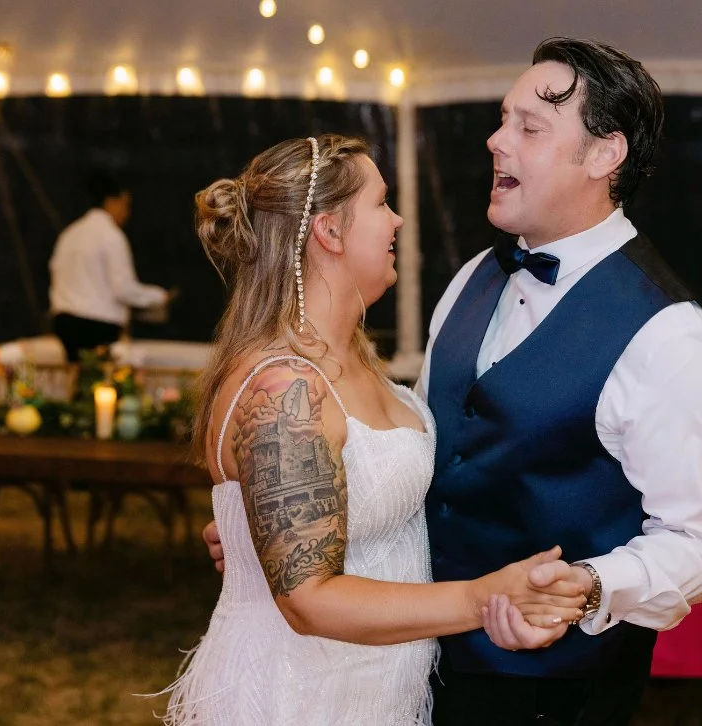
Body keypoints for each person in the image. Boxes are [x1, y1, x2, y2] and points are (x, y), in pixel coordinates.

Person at [205, 38, 702, 725]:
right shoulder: (471, 281)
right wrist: (278, 515)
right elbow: (434, 461)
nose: (495, 141)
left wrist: (587, 585)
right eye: (502, 120)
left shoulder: (671, 336)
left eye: (529, 128)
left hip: (554, 694)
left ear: (604, 155)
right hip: (410, 671)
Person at [162, 135, 585, 726]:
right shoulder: (284, 386)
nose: (398, 219)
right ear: (330, 232)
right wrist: (484, 596)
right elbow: (309, 600)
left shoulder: (356, 358)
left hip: (378, 694)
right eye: (382, 203)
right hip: (296, 696)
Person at [48, 172, 172, 361]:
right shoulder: (111, 236)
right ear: (112, 201)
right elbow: (123, 289)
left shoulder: (69, 234)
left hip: (64, 325)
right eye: (125, 204)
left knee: (80, 378)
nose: (127, 212)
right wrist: (158, 296)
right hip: (97, 327)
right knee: (101, 382)